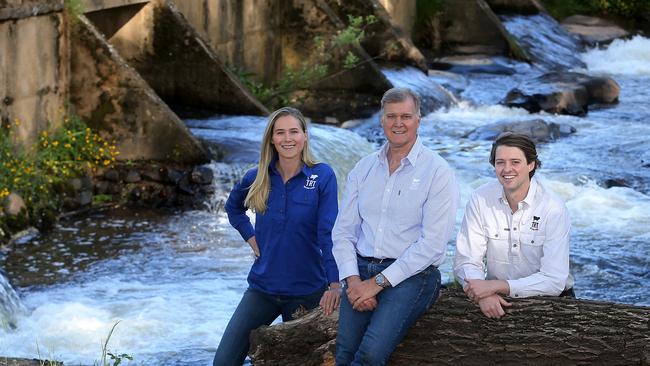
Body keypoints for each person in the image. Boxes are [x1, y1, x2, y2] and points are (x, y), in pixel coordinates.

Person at [332, 87, 459, 365]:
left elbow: (432, 244)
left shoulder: (438, 172)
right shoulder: (363, 168)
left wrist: (375, 284)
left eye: (406, 116)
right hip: (362, 269)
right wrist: (354, 282)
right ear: (381, 119)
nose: (398, 123)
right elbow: (343, 232)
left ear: (418, 120)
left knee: (370, 355)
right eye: (391, 116)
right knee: (344, 353)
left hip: (414, 275)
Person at [213, 107, 340, 366]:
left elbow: (328, 234)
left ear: (305, 136)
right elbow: (233, 208)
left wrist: (335, 284)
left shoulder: (322, 176)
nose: (287, 138)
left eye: (294, 131)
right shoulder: (257, 177)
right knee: (223, 362)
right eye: (280, 132)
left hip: (307, 292)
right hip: (262, 289)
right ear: (272, 139)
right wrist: (250, 236)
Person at [454, 132, 572, 320]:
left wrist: (496, 286)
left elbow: (554, 280)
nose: (507, 169)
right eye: (500, 162)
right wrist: (482, 293)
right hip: (494, 299)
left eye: (515, 162)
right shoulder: (480, 198)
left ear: (531, 165)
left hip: (550, 303)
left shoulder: (553, 207)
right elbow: (466, 260)